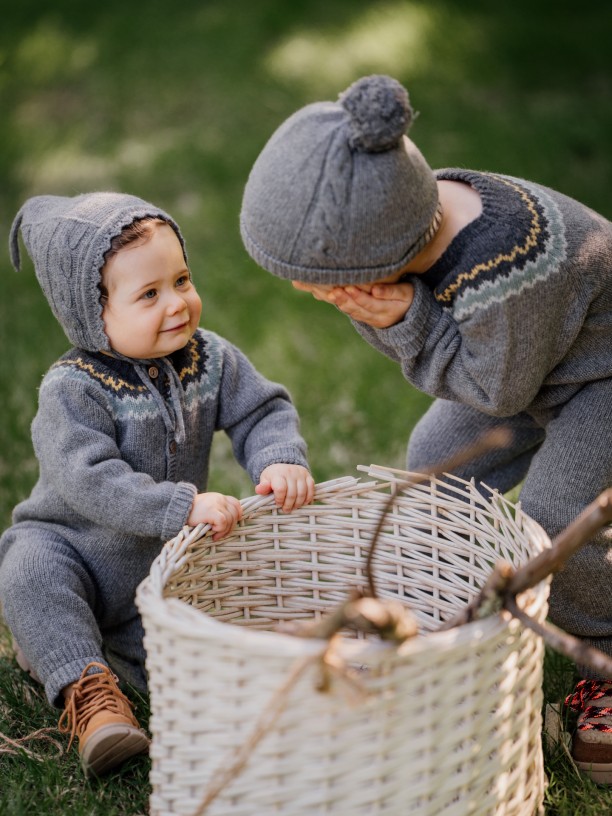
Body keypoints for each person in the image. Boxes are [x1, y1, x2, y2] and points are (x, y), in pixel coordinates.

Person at [239, 74, 612, 782]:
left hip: (597, 378)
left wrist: (400, 323)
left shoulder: (508, 271)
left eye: (321, 286)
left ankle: (607, 649)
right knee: (435, 460)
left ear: (381, 262)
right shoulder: (411, 208)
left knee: (559, 514)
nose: (306, 296)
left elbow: (492, 389)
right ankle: (447, 602)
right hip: (531, 359)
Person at [0, 192, 314, 778]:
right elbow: (88, 479)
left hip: (161, 573)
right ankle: (91, 697)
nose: (177, 304)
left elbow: (260, 410)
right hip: (74, 549)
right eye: (149, 294)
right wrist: (180, 505)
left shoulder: (211, 359)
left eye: (182, 279)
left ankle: (72, 649)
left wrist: (277, 458)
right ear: (94, 315)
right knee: (28, 572)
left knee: (196, 668)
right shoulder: (72, 389)